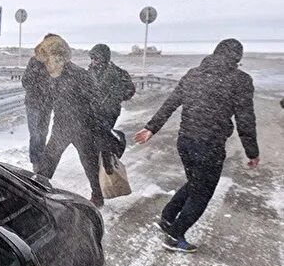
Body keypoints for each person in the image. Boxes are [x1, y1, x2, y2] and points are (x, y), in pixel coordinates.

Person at [134, 38, 260, 253]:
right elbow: (245, 118)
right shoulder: (240, 80)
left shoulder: (194, 74)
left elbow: (171, 103)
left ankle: (167, 218)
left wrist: (151, 128)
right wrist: (252, 152)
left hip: (185, 142)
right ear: (237, 58)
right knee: (202, 192)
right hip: (209, 146)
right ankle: (174, 237)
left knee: (196, 182)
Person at [35, 34, 115, 207]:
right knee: (49, 159)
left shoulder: (80, 75)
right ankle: (37, 191)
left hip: (83, 127)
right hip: (62, 126)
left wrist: (98, 128)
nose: (51, 63)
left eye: (55, 59)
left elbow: (95, 101)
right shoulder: (53, 75)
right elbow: (49, 100)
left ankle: (97, 194)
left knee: (89, 162)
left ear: (63, 58)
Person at [22, 36, 55, 171]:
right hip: (33, 104)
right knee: (35, 134)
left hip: (47, 105)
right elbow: (25, 81)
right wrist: (39, 86)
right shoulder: (34, 61)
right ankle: (36, 163)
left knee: (43, 133)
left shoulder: (55, 63)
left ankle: (41, 159)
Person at [88, 44, 135, 128]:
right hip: (91, 111)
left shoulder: (117, 72)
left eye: (96, 58)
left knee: (103, 135)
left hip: (109, 113)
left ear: (104, 58)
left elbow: (130, 90)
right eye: (92, 58)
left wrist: (115, 99)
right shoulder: (89, 72)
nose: (93, 61)